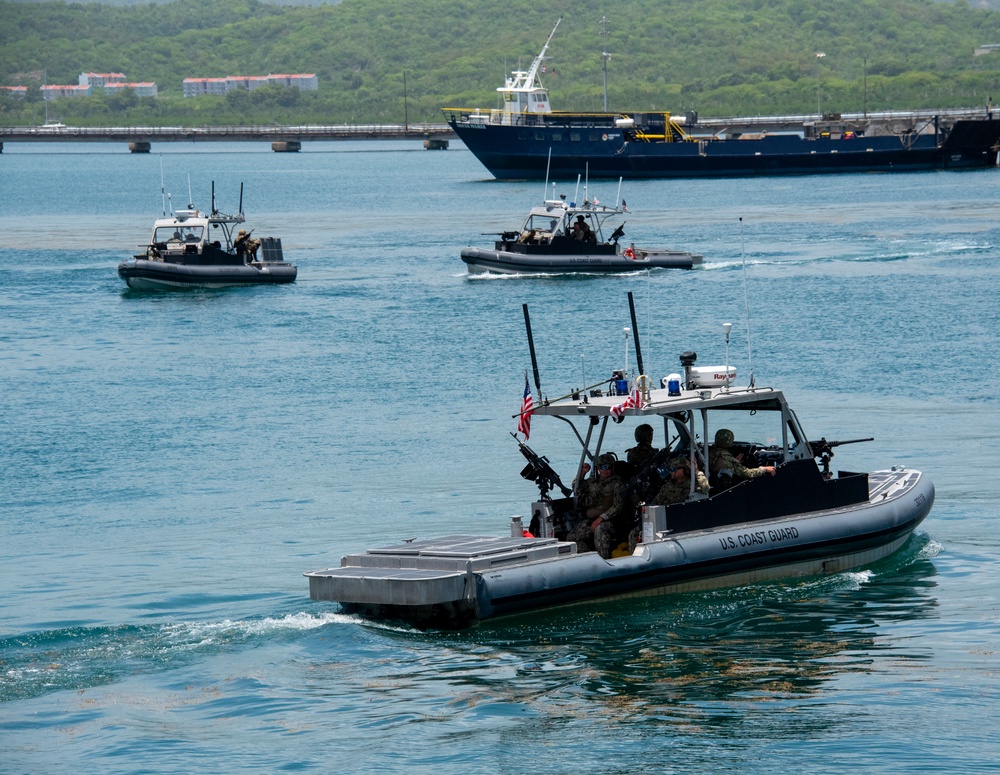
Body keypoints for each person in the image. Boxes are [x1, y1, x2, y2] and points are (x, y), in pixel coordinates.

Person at [627, 456, 709, 553]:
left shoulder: (690, 486)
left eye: (673, 469)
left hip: (677, 521)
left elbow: (705, 488)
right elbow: (656, 502)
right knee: (634, 533)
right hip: (661, 518)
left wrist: (696, 471)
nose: (671, 472)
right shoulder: (667, 486)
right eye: (670, 469)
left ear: (683, 470)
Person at [567, 452, 623, 557]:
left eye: (608, 467)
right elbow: (576, 486)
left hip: (611, 521)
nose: (605, 470)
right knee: (572, 537)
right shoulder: (592, 482)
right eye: (602, 467)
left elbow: (618, 506)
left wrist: (601, 519)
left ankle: (604, 559)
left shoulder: (617, 484)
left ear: (613, 467)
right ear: (598, 468)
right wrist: (583, 473)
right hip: (592, 519)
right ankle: (589, 557)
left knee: (600, 530)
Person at [709, 428, 776, 490]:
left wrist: (735, 462)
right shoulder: (728, 459)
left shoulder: (709, 453)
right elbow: (747, 473)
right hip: (723, 489)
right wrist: (764, 469)